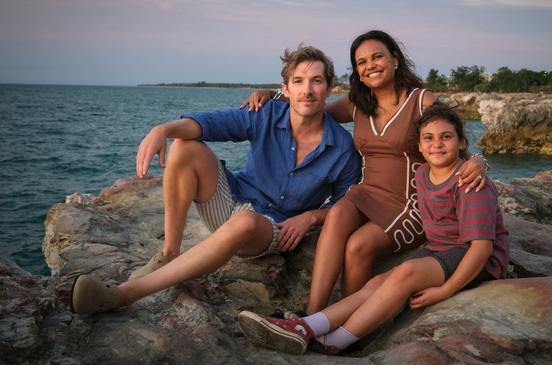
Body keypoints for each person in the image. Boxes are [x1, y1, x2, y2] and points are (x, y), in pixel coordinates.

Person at [69, 45, 361, 314]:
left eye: (316, 81)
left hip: (271, 228)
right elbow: (211, 123)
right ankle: (169, 252)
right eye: (298, 81)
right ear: (285, 88)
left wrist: (310, 217)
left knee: (245, 222)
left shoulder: (342, 149)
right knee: (184, 144)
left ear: (330, 89)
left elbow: (345, 208)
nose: (307, 90)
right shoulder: (266, 113)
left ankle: (123, 294)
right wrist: (163, 129)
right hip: (231, 200)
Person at [243, 30, 488, 314]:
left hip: (410, 203)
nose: (369, 65)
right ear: (357, 71)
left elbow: (449, 137)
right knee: (336, 213)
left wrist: (479, 161)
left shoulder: (421, 101)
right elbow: (310, 108)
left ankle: (347, 324)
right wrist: (273, 96)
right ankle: (312, 316)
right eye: (361, 62)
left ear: (394, 59)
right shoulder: (358, 104)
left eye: (377, 57)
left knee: (358, 246)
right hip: (365, 193)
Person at [237, 102, 509, 355]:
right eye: (429, 138)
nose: (437, 144)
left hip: (474, 257)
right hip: (440, 251)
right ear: (420, 145)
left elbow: (482, 247)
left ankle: (334, 343)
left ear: (462, 142)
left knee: (405, 273)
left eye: (446, 137)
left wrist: (446, 290)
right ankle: (308, 326)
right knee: (376, 284)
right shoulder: (423, 174)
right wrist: (273, 98)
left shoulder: (470, 184)